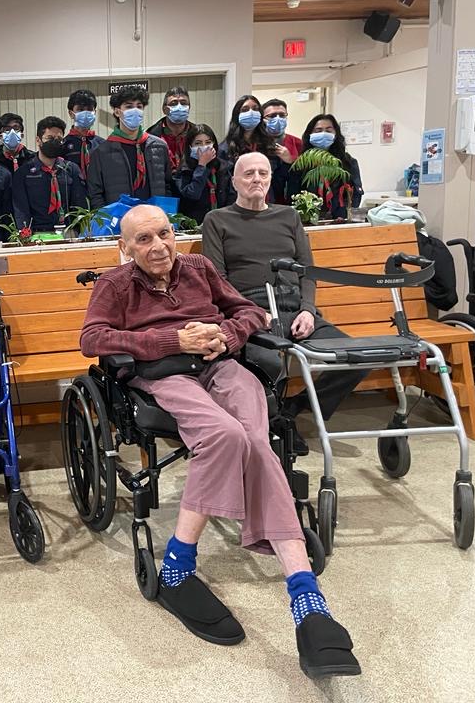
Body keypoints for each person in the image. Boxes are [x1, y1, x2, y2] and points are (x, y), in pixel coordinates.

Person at [79, 203, 360, 679]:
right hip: (165, 376)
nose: (158, 246)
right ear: (124, 247)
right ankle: (178, 567)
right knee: (225, 435)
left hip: (221, 366)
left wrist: (223, 334)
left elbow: (250, 311)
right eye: (143, 240)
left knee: (256, 440)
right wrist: (174, 343)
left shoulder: (199, 267)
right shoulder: (114, 285)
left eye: (164, 234)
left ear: (175, 234)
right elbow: (92, 339)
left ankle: (306, 599)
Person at [202, 152, 368, 454]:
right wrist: (250, 313)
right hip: (251, 309)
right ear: (235, 180)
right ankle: (275, 422)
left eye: (263, 173)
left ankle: (293, 409)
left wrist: (307, 309)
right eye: (249, 173)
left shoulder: (289, 216)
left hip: (295, 306)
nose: (257, 179)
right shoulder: (217, 220)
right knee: (267, 362)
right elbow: (218, 280)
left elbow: (307, 270)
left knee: (355, 356)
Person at [87, 85, 173, 208]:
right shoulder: (101, 152)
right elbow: (95, 194)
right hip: (120, 221)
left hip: (154, 218)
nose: (135, 110)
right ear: (117, 112)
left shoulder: (159, 147)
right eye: (129, 106)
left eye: (139, 106)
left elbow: (167, 185)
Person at [12, 116, 88, 232]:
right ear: (38, 140)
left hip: (68, 233)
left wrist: (79, 232)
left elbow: (80, 206)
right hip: (36, 234)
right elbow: (21, 210)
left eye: (59, 139)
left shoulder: (71, 170)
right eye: (50, 138)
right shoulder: (23, 173)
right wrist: (25, 235)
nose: (55, 142)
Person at [287, 114, 364, 220]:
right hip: (309, 220)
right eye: (318, 130)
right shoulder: (301, 164)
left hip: (340, 219)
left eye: (328, 130)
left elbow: (355, 193)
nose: (323, 134)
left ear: (336, 134)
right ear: (310, 134)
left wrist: (345, 216)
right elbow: (293, 194)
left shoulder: (348, 162)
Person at [219, 94, 289, 203]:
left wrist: (287, 162)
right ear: (237, 115)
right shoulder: (226, 148)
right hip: (238, 206)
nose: (251, 112)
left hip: (267, 203)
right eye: (245, 109)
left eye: (255, 109)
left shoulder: (269, 145)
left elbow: (278, 181)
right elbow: (224, 185)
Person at [172, 123, 235, 223]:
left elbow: (231, 197)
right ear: (190, 146)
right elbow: (192, 194)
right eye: (198, 143)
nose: (204, 147)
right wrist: (202, 165)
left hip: (222, 222)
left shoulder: (223, 167)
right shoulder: (184, 170)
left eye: (208, 142)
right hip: (194, 224)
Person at [146, 86, 195, 172]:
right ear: (165, 110)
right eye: (174, 103)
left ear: (189, 108)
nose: (179, 107)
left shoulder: (198, 134)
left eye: (183, 103)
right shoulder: (150, 136)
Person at [63, 88, 105, 175]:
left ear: (95, 112)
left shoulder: (102, 144)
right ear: (71, 114)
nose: (85, 113)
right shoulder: (63, 145)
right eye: (80, 109)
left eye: (89, 109)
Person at [261, 98, 305, 164]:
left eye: (282, 115)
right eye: (272, 116)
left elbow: (305, 170)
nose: (278, 119)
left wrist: (290, 160)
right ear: (262, 119)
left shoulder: (297, 143)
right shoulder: (255, 142)